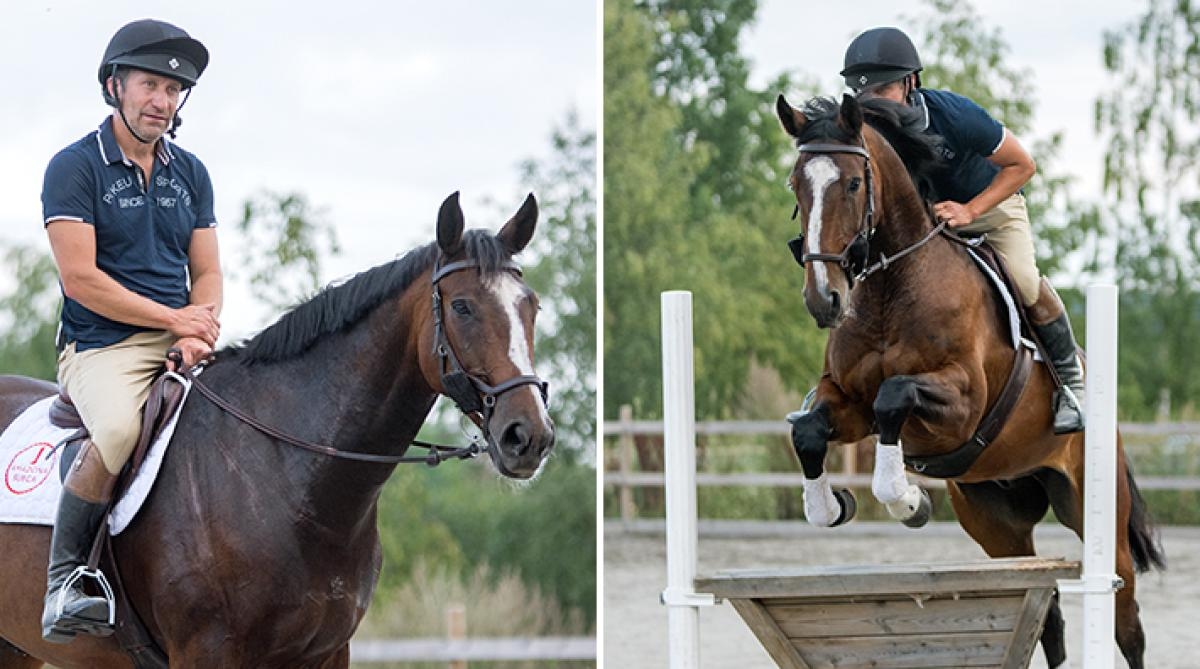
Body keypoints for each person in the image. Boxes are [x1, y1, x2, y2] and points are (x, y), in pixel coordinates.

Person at [39, 18, 221, 642]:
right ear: (115, 86)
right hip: (100, 347)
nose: (161, 102)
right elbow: (80, 280)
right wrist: (176, 318)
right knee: (118, 429)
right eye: (150, 85)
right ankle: (66, 582)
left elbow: (209, 271)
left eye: (173, 92)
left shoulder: (191, 173)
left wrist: (199, 329)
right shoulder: (74, 167)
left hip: (180, 340)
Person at [839, 26, 1085, 434]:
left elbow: (1022, 165)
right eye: (863, 95)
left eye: (883, 91)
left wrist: (971, 209)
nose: (872, 104)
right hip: (927, 225)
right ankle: (839, 383)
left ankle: (1070, 382)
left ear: (910, 83)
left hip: (992, 207)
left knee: (1023, 281)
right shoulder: (868, 135)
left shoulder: (953, 115)